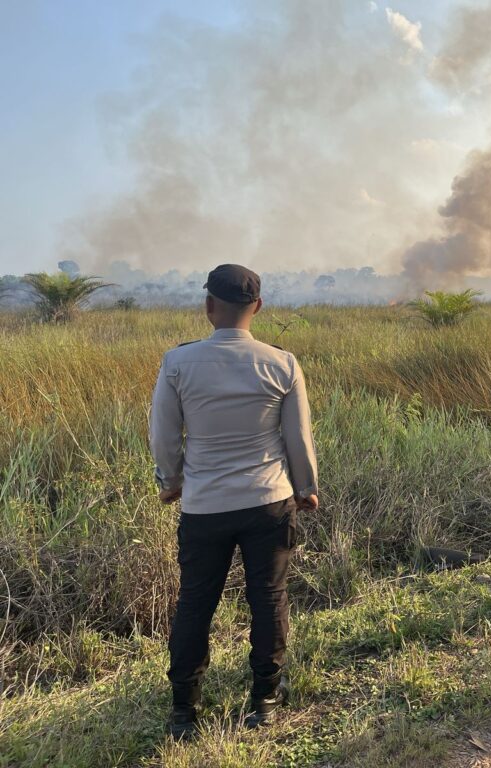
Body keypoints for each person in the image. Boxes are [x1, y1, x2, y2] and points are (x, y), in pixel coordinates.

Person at [149, 264, 319, 741]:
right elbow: (298, 438)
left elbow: (163, 435)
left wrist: (172, 479)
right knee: (268, 597)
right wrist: (306, 487)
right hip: (269, 502)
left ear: (208, 305)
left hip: (203, 506)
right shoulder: (282, 363)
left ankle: (184, 709)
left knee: (195, 603)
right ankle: (264, 697)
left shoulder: (177, 362)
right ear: (258, 308)